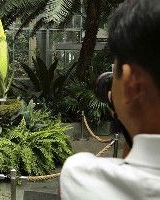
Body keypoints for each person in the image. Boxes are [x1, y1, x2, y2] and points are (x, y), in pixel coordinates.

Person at [60, 0, 160, 199]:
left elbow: (129, 166)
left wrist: (124, 118)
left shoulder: (81, 177)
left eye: (115, 71)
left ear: (132, 84)